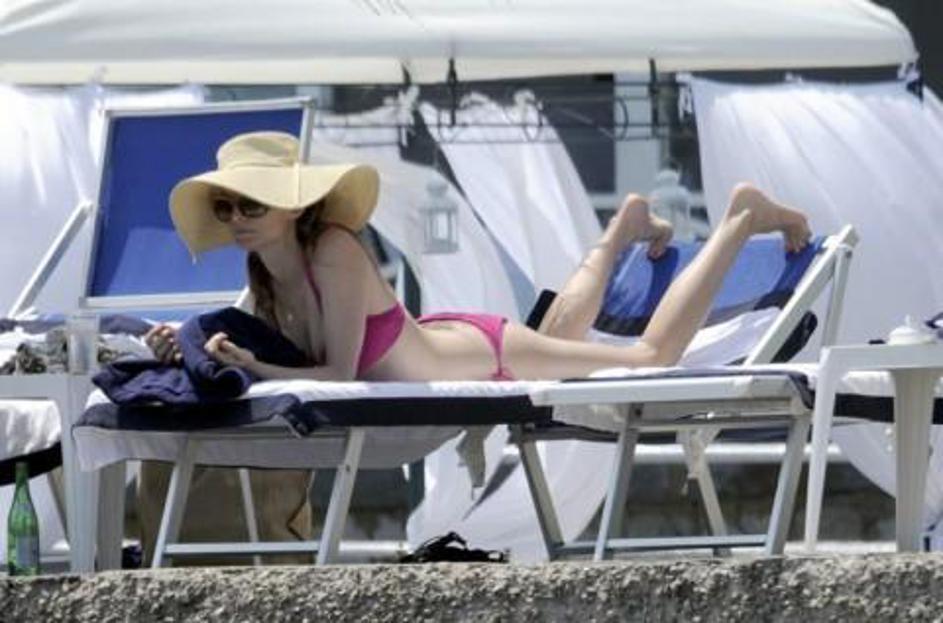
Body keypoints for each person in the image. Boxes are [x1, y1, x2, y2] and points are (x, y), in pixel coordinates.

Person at [148, 131, 811, 380]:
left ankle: (739, 218)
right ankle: (622, 230)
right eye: (225, 208)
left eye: (251, 205)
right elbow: (258, 346)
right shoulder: (265, 272)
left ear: (293, 206)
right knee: (561, 339)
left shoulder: (332, 251)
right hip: (445, 339)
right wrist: (189, 342)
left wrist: (254, 367)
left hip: (483, 352)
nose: (236, 219)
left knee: (648, 358)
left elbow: (340, 375)